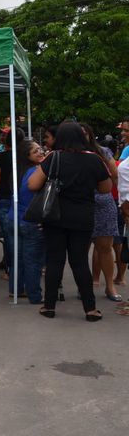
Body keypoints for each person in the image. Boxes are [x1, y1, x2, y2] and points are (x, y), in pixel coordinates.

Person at [28, 121, 111, 321]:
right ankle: (90, 309)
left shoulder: (53, 157)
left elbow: (33, 184)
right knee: (80, 261)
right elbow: (106, 188)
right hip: (83, 217)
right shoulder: (94, 160)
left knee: (55, 260)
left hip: (54, 217)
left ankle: (49, 307)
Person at [82, 123, 121, 302]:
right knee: (80, 249)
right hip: (80, 204)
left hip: (103, 203)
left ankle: (110, 286)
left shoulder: (103, 152)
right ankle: (86, 285)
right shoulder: (67, 154)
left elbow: (114, 174)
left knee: (105, 247)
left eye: (84, 134)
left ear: (90, 134)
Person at [7, 139, 46, 304]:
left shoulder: (16, 173)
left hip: (13, 218)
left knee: (18, 258)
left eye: (40, 149)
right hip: (29, 221)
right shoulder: (36, 172)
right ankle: (35, 295)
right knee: (32, 260)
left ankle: (15, 290)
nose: (41, 152)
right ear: (27, 155)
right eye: (36, 151)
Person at [0, 127, 25, 280]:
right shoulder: (25, 156)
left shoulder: (0, 157)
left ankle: (11, 269)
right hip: (23, 198)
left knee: (10, 235)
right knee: (24, 234)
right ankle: (25, 268)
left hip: (3, 198)